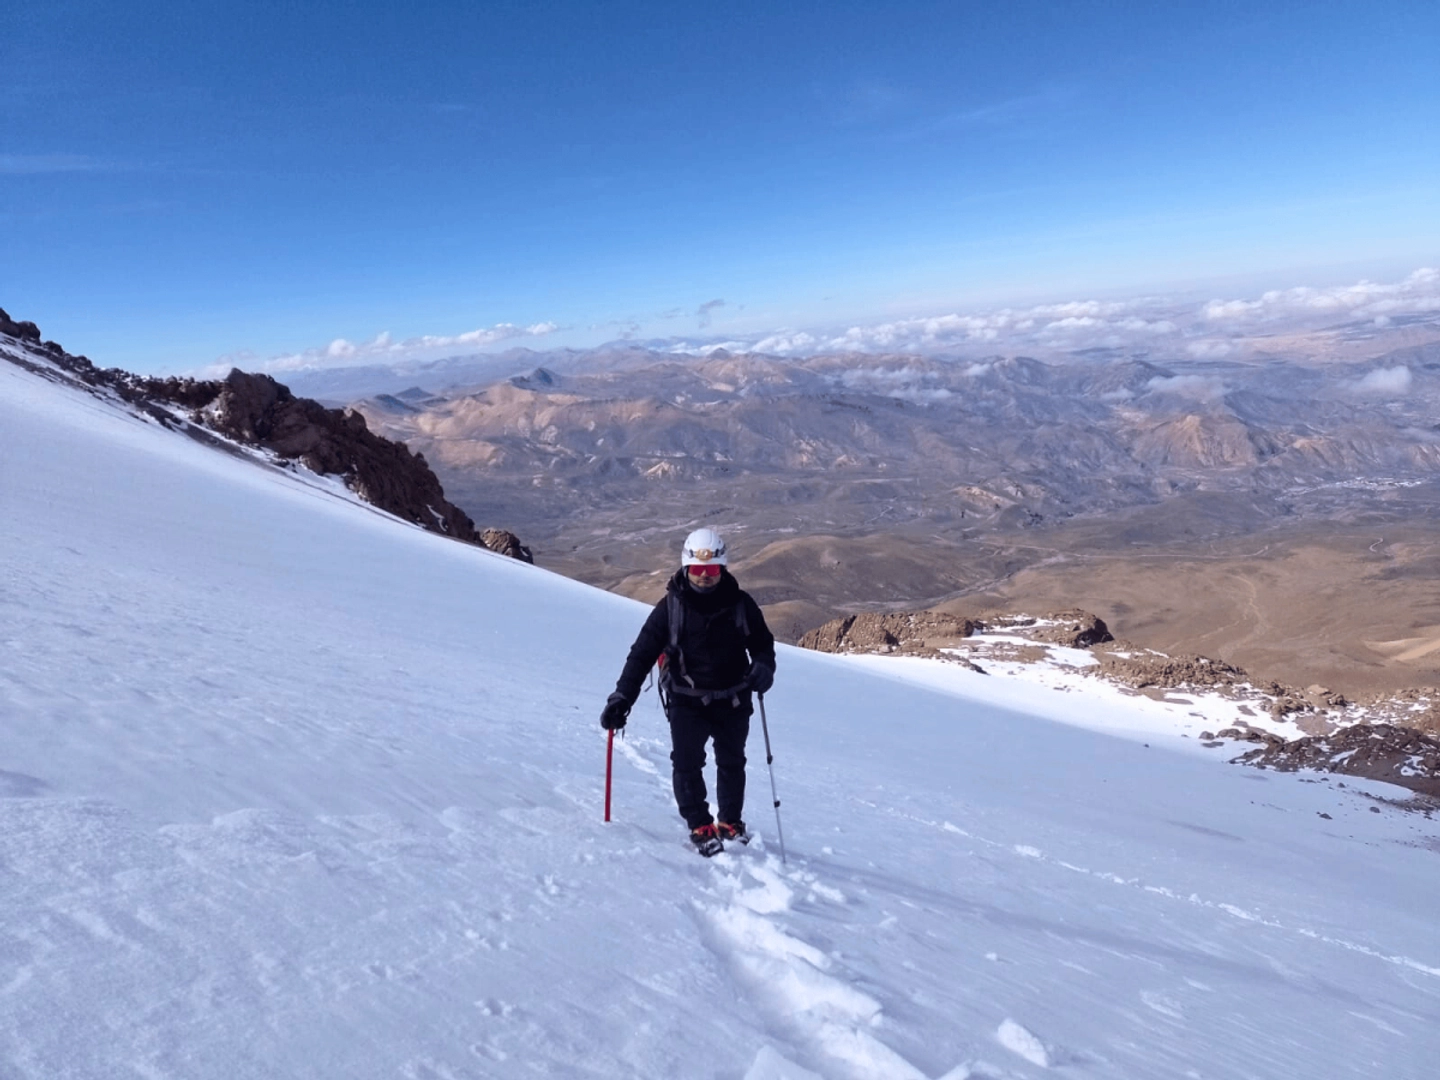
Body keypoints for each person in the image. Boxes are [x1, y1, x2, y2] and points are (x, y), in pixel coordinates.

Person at [601, 527, 776, 854]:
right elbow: (642, 654)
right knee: (687, 763)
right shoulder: (670, 607)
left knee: (732, 762)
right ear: (686, 567)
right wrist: (622, 697)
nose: (705, 576)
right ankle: (700, 825)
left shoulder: (741, 604)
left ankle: (730, 822)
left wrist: (765, 667)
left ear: (722, 568)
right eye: (697, 569)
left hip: (734, 698)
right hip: (687, 700)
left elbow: (763, 645)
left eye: (712, 569)